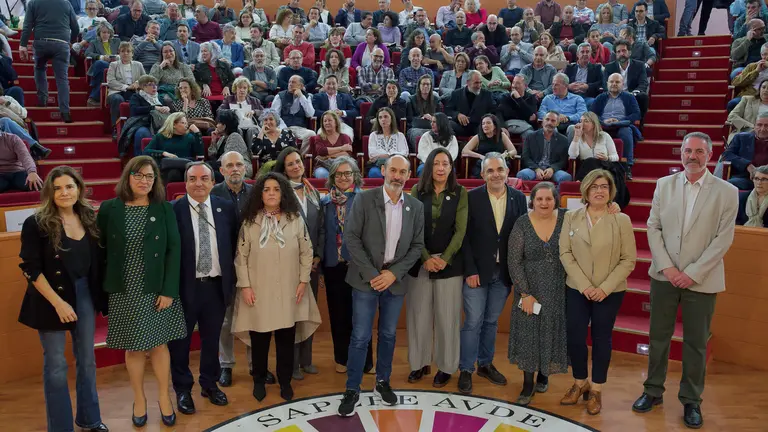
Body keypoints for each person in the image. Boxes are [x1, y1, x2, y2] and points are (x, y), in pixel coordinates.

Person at [632, 132, 739, 430]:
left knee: (695, 343)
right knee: (658, 337)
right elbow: (653, 227)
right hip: (664, 277)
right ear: (680, 153)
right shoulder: (663, 185)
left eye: (699, 152)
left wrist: (691, 272)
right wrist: (667, 268)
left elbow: (723, 240)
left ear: (710, 155)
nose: (692, 156)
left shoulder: (727, 192)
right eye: (687, 151)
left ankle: (691, 400)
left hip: (702, 280)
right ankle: (652, 391)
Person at [18, 166, 109, 432]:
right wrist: (59, 303)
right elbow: (30, 269)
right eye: (57, 188)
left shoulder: (90, 218)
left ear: (79, 188)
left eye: (69, 186)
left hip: (84, 294)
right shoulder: (36, 223)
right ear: (49, 192)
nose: (64, 192)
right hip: (50, 299)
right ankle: (59, 427)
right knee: (56, 366)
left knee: (87, 360)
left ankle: (90, 419)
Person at [97, 156, 186, 428]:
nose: (144, 181)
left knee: (159, 346)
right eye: (139, 175)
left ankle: (163, 397)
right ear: (127, 177)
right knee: (134, 349)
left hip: (156, 289)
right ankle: (139, 399)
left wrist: (169, 290)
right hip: (125, 290)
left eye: (150, 176)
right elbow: (100, 250)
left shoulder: (163, 208)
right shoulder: (109, 209)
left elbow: (174, 250)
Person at [336, 154, 425, 417]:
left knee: (388, 335)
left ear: (408, 175)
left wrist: (392, 274)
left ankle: (382, 382)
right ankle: (352, 388)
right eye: (393, 170)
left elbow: (417, 246)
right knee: (360, 336)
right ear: (383, 170)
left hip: (394, 283)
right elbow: (351, 238)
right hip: (365, 279)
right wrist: (374, 274)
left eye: (403, 172)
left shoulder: (415, 207)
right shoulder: (364, 199)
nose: (397, 176)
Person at [231, 171, 321, 402]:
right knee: (260, 340)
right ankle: (259, 380)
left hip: (289, 290)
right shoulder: (250, 222)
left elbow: (306, 251)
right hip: (258, 291)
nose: (271, 193)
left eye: (276, 189)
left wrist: (303, 281)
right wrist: (246, 287)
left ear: (284, 193)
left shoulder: (295, 219)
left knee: (285, 341)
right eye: (267, 189)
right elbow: (241, 257)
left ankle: (285, 382)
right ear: (260, 194)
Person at [559, 170, 636, 414]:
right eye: (594, 187)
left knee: (602, 339)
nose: (599, 191)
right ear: (586, 191)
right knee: (575, 336)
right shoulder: (571, 217)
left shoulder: (621, 220)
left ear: (611, 191)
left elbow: (628, 260)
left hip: (609, 291)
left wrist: (603, 288)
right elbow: (565, 254)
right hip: (577, 288)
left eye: (604, 186)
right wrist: (585, 286)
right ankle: (580, 383)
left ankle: (597, 389)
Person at [167, 162, 237, 415]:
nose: (199, 183)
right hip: (184, 289)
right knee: (181, 342)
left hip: (216, 287)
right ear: (185, 182)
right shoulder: (173, 210)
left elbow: (233, 247)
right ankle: (183, 389)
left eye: (204, 178)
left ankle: (209, 383)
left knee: (211, 340)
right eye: (193, 179)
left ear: (212, 181)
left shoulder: (226, 208)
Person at [458, 152, 528, 394]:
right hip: (476, 273)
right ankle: (466, 368)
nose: (496, 174)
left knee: (491, 322)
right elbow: (463, 238)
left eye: (500, 169)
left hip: (504, 273)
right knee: (473, 321)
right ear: (482, 174)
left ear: (508, 172)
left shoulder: (519, 198)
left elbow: (523, 235)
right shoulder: (471, 198)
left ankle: (485, 364)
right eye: (490, 170)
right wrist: (469, 270)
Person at [212, 151, 276, 386]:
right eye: (230, 165)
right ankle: (226, 365)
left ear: (246, 168)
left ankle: (256, 366)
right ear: (222, 170)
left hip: (255, 266)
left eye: (239, 164)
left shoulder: (257, 193)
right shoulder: (212, 194)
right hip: (224, 267)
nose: (235, 169)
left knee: (255, 318)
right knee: (226, 321)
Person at [405, 147, 467, 387]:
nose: (441, 168)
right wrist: (425, 258)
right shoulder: (417, 191)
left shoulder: (460, 193)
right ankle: (419, 363)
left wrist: (444, 258)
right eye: (436, 163)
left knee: (447, 318)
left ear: (451, 168)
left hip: (449, 264)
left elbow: (460, 230)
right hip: (420, 263)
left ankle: (446, 366)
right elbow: (412, 228)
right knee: (418, 315)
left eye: (446, 164)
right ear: (429, 166)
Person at [505, 181, 568, 406]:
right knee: (529, 333)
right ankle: (528, 384)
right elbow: (513, 260)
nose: (544, 203)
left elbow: (592, 214)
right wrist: (524, 293)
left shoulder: (567, 219)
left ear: (556, 201)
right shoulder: (522, 223)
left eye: (548, 199)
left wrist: (613, 207)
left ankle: (544, 374)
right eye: (539, 199)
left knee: (549, 330)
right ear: (532, 201)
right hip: (529, 289)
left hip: (557, 288)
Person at [271, 147, 324, 380]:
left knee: (307, 312)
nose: (296, 166)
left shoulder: (311, 190)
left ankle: (306, 360)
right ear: (284, 168)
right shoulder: (279, 194)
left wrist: (317, 256)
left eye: (299, 161)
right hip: (289, 265)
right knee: (290, 315)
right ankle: (290, 364)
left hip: (311, 265)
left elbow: (320, 227)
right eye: (291, 163)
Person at [320, 157, 375, 374]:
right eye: (339, 174)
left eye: (348, 173)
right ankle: (341, 359)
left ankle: (367, 361)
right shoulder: (324, 203)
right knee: (338, 315)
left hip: (360, 266)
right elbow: (322, 234)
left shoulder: (365, 199)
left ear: (355, 176)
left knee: (362, 315)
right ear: (332, 177)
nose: (343, 177)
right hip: (334, 265)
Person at [20, 0, 79, 123]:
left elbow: (27, 25)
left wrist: (23, 44)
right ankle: (65, 112)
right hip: (61, 43)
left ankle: (42, 99)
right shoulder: (66, 3)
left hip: (41, 41)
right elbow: (76, 28)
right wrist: (70, 41)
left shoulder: (34, 2)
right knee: (62, 78)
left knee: (40, 68)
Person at [591, 72, 642, 179]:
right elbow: (592, 114)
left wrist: (619, 120)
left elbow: (636, 114)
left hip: (621, 125)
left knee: (626, 130)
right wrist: (604, 120)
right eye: (611, 82)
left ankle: (627, 166)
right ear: (607, 84)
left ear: (622, 84)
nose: (614, 84)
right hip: (603, 125)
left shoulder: (629, 97)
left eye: (617, 82)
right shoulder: (600, 97)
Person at [144, 113, 203, 182]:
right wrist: (164, 153)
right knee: (173, 173)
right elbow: (146, 151)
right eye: (183, 123)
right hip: (167, 168)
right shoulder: (160, 136)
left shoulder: (190, 137)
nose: (186, 126)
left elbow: (200, 157)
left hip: (185, 168)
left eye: (186, 123)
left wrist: (197, 133)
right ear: (174, 124)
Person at [518, 111, 573, 183]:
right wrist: (536, 169)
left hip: (553, 170)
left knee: (566, 177)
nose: (549, 123)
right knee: (522, 174)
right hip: (533, 168)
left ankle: (554, 194)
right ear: (543, 121)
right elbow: (525, 157)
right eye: (547, 119)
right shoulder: (530, 136)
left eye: (553, 121)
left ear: (557, 123)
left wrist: (552, 169)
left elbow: (563, 160)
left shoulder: (563, 140)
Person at [272, 75, 317, 154]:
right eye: (289, 82)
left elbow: (310, 114)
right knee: (283, 135)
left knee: (311, 134)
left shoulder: (306, 96)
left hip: (300, 128)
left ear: (301, 86)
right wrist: (284, 129)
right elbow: (275, 116)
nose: (290, 84)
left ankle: (301, 157)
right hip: (284, 127)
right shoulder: (280, 96)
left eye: (293, 82)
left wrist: (301, 96)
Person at [722, 113, 768, 191]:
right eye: (759, 125)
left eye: (767, 126)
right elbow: (727, 155)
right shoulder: (741, 138)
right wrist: (747, 165)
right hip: (745, 178)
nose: (762, 129)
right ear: (754, 126)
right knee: (728, 185)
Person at [129, 75, 172, 157]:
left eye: (155, 85)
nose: (154, 87)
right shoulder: (136, 97)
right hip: (144, 123)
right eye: (150, 85)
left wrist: (167, 108)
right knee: (142, 133)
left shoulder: (160, 98)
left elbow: (172, 111)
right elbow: (134, 110)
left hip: (160, 124)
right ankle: (140, 160)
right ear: (142, 87)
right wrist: (154, 107)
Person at [604, 40, 649, 117]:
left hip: (633, 95)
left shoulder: (639, 65)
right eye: (618, 52)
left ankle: (639, 122)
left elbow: (643, 83)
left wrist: (633, 93)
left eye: (624, 51)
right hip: (614, 94)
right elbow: (605, 84)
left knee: (643, 97)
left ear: (630, 52)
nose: (621, 54)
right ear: (616, 54)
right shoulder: (609, 67)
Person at [106, 42, 146, 129]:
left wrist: (137, 82)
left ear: (132, 53)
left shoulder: (138, 65)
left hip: (134, 91)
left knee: (137, 99)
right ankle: (116, 127)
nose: (125, 53)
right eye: (123, 51)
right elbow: (111, 81)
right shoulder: (113, 65)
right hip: (116, 92)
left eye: (128, 51)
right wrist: (126, 87)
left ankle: (134, 126)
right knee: (117, 99)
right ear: (119, 53)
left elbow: (144, 79)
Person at [85, 22, 122, 107]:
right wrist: (101, 57)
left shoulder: (117, 41)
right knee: (101, 64)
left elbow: (124, 52)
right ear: (99, 33)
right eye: (104, 32)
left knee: (105, 70)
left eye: (108, 32)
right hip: (100, 65)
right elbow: (87, 53)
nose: (106, 34)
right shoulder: (94, 42)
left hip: (115, 65)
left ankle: (93, 98)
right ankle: (95, 98)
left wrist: (117, 57)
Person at [219, 76, 265, 142]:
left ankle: (251, 151)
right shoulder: (228, 99)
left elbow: (264, 113)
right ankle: (239, 150)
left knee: (251, 130)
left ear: (248, 89)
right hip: (236, 126)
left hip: (250, 125)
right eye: (240, 88)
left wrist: (254, 112)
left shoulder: (254, 100)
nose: (242, 90)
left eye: (245, 88)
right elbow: (219, 111)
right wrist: (231, 112)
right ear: (235, 89)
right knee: (237, 130)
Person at [310, 111, 354, 178]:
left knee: (342, 174)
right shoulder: (319, 137)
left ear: (336, 122)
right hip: (322, 166)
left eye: (329, 120)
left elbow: (347, 154)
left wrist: (326, 157)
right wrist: (341, 148)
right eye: (325, 121)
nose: (327, 123)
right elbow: (321, 151)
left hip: (341, 165)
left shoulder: (345, 137)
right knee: (322, 174)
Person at [209, 110, 253, 178]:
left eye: (219, 123)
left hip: (240, 169)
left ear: (224, 126)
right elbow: (211, 155)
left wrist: (208, 165)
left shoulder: (235, 137)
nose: (216, 126)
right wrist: (213, 141)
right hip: (226, 168)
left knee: (210, 172)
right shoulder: (222, 138)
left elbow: (226, 159)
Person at [367, 108, 409, 178]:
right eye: (380, 117)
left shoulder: (400, 135)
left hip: (397, 165)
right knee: (374, 173)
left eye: (386, 117)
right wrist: (393, 154)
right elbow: (372, 154)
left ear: (391, 118)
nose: (383, 119)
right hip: (379, 166)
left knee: (396, 174)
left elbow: (404, 153)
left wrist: (384, 155)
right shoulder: (373, 135)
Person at [313, 74, 358, 139]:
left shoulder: (345, 96)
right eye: (328, 84)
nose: (331, 86)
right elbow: (315, 111)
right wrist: (329, 114)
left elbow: (354, 111)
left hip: (342, 124)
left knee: (347, 136)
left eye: (333, 83)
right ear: (324, 85)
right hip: (325, 125)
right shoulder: (318, 97)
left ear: (338, 85)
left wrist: (342, 113)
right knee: (320, 136)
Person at [564, 43, 604, 108]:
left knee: (593, 102)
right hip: (571, 96)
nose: (585, 54)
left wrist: (588, 86)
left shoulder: (597, 68)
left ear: (590, 54)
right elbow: (562, 83)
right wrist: (569, 86)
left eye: (587, 52)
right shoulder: (570, 68)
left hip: (588, 97)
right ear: (577, 54)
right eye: (582, 52)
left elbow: (601, 83)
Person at [406, 74, 442, 147]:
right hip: (416, 127)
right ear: (419, 86)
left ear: (431, 86)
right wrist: (422, 117)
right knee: (418, 134)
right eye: (423, 84)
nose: (425, 86)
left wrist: (432, 118)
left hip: (432, 127)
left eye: (428, 84)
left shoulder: (436, 100)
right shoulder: (411, 99)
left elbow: (440, 117)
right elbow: (409, 119)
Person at [498, 75, 537, 140]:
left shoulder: (531, 97)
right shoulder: (505, 97)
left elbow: (531, 115)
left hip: (525, 126)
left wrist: (519, 98)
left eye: (518, 83)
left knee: (529, 134)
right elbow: (504, 114)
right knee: (502, 134)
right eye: (513, 82)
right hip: (508, 125)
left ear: (525, 86)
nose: (514, 85)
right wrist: (502, 127)